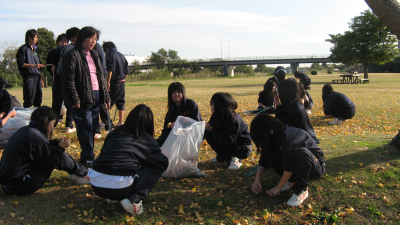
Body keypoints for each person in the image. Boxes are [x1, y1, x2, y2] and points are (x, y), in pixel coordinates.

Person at [88, 104, 169, 215]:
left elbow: (104, 152)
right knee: (156, 167)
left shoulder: (114, 133)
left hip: (96, 183)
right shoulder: (147, 139)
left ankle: (112, 197)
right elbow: (163, 162)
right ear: (149, 123)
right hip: (120, 186)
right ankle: (134, 199)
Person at [0, 106, 89, 196]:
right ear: (46, 121)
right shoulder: (36, 137)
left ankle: (76, 171)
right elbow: (48, 165)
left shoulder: (27, 130)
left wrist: (55, 142)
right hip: (17, 186)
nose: (53, 129)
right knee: (56, 153)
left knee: (53, 150)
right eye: (53, 124)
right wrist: (61, 148)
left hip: (8, 184)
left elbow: (39, 146)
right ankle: (84, 174)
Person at [250, 114, 325, 207]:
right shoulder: (273, 136)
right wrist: (257, 180)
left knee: (301, 153)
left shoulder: (289, 137)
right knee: (272, 152)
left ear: (268, 131)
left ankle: (301, 189)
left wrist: (278, 187)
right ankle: (292, 180)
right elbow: (264, 160)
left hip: (315, 167)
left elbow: (289, 166)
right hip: (296, 165)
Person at [62, 26, 111, 167]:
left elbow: (101, 77)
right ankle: (87, 158)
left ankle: (89, 156)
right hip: (82, 97)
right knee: (85, 128)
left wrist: (106, 97)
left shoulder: (94, 54)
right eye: (91, 38)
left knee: (93, 127)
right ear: (82, 38)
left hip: (96, 96)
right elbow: (68, 79)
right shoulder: (72, 54)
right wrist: (73, 98)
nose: (93, 41)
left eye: (96, 39)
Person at [205, 92, 252, 170]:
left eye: (213, 103)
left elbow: (228, 140)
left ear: (220, 106)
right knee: (208, 132)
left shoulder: (234, 120)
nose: (211, 106)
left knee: (213, 132)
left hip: (242, 148)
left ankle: (236, 158)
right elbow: (211, 129)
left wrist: (212, 129)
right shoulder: (216, 116)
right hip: (228, 142)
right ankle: (223, 156)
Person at [52, 27, 80, 134]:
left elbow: (54, 65)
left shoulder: (58, 50)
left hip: (59, 79)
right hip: (70, 79)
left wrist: (54, 77)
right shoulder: (75, 49)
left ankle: (53, 125)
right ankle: (69, 125)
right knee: (70, 103)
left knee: (56, 103)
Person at [275, 79, 320, 144]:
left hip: (305, 141)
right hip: (299, 138)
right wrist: (278, 105)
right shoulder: (292, 104)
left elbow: (282, 124)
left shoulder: (296, 108)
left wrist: (278, 106)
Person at [156, 82, 202, 146]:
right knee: (160, 141)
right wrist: (170, 125)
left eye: (179, 92)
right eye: (173, 92)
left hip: (190, 135)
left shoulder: (191, 104)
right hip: (175, 135)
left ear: (183, 93)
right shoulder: (171, 108)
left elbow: (198, 123)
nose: (176, 94)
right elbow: (166, 127)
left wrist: (183, 123)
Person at [102, 41, 129, 127]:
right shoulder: (121, 55)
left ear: (106, 48)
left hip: (114, 82)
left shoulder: (109, 54)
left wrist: (108, 82)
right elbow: (127, 70)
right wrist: (123, 79)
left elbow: (110, 69)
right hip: (122, 82)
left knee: (108, 102)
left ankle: (107, 122)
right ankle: (121, 122)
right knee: (121, 102)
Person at [16, 29, 44, 108]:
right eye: (35, 37)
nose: (36, 39)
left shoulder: (35, 49)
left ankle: (36, 118)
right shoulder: (23, 49)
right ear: (29, 37)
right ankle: (26, 118)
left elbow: (37, 66)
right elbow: (20, 64)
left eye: (37, 38)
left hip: (37, 77)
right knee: (29, 100)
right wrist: (33, 65)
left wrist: (41, 79)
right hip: (29, 77)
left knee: (38, 100)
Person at [47, 33, 68, 124]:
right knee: (57, 100)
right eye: (62, 41)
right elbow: (50, 66)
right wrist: (54, 76)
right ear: (57, 42)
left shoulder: (69, 51)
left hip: (67, 79)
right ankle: (54, 119)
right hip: (58, 79)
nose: (63, 44)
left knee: (67, 101)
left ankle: (64, 118)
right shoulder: (53, 52)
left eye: (65, 42)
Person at [0, 77, 17, 146]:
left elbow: (5, 107)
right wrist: (9, 115)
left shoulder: (4, 94)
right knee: (13, 138)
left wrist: (1, 115)